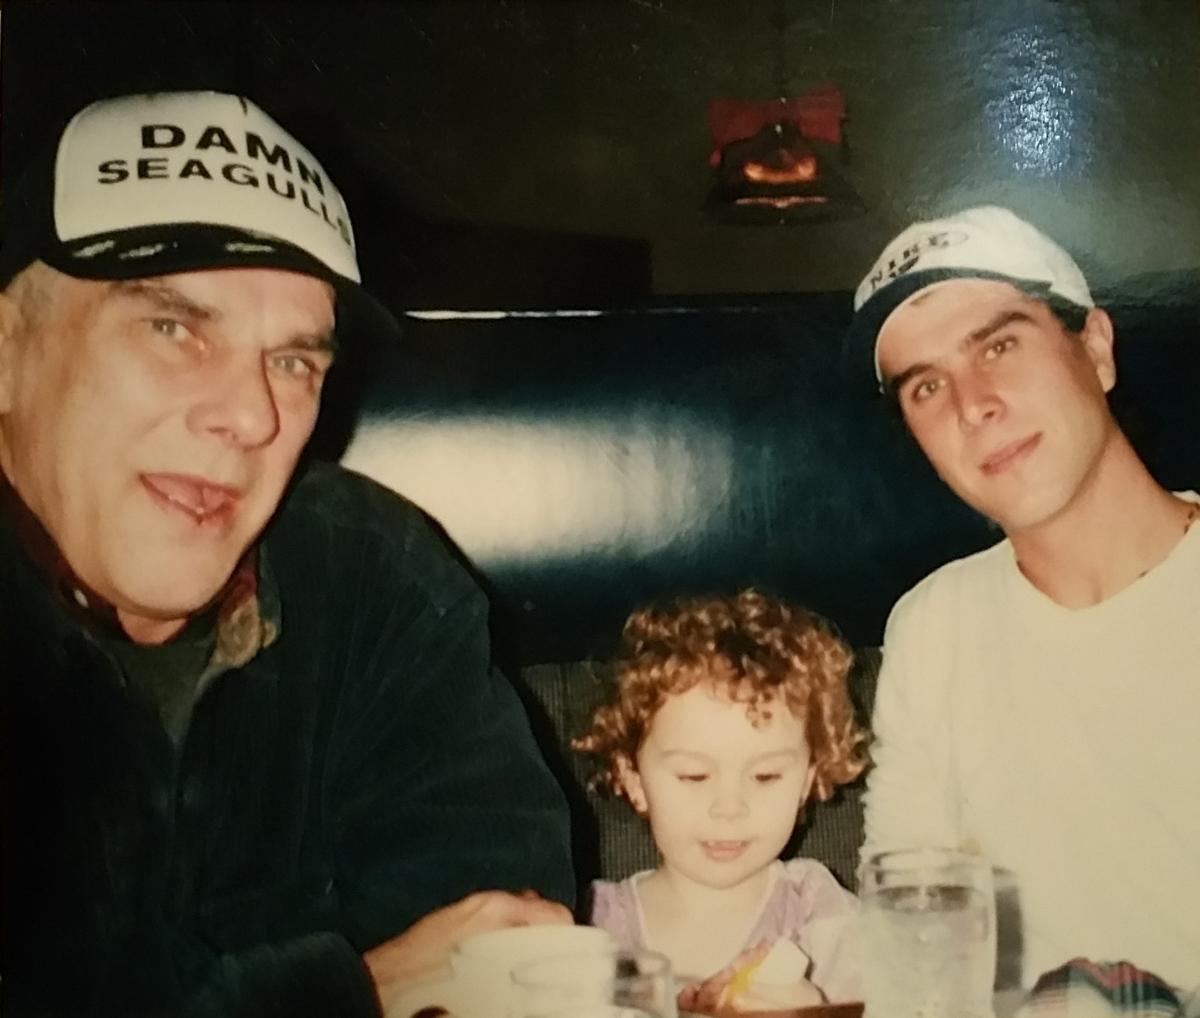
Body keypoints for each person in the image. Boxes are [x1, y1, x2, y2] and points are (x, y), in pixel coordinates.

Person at [0, 90, 574, 1018]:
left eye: (295, 361)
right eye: (175, 328)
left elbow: (498, 946)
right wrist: (360, 989)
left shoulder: (374, 576)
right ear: (7, 349)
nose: (253, 414)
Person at [846, 205, 1200, 989]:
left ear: (1097, 348)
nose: (974, 405)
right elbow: (909, 956)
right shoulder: (933, 627)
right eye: (926, 387)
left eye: (1000, 345)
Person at [573, 589, 867, 1011]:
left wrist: (816, 1012)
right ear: (633, 780)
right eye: (694, 775)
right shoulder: (590, 927)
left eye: (765, 776)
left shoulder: (819, 913)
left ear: (808, 780)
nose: (730, 808)